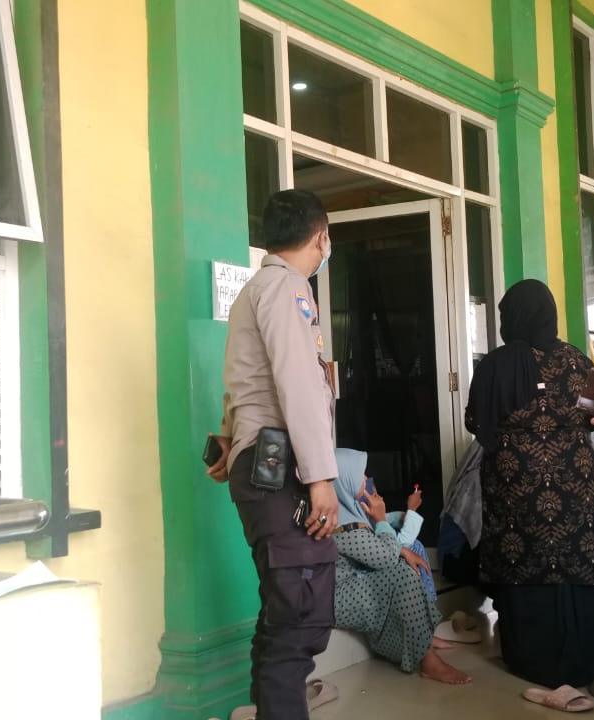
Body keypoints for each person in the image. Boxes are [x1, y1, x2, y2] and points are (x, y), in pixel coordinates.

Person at [205, 189, 342, 720]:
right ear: (321, 236)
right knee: (299, 612)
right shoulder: (288, 288)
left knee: (283, 609)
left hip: (261, 459)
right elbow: (298, 383)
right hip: (281, 467)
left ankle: (269, 709)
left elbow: (244, 378)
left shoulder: (254, 288)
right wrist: (321, 478)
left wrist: (230, 437)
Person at [464, 279, 594, 690]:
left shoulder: (497, 364)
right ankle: (591, 659)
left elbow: (475, 420)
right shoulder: (577, 360)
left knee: (525, 558)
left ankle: (536, 661)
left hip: (516, 487)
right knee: (577, 557)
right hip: (576, 484)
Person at [330, 448, 471, 685]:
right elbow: (386, 557)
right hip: (337, 598)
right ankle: (427, 659)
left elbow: (379, 541)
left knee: (408, 556)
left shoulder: (349, 513)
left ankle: (423, 639)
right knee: (400, 573)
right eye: (360, 475)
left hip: (352, 584)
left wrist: (390, 527)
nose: (366, 480)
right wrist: (381, 519)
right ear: (344, 481)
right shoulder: (341, 526)